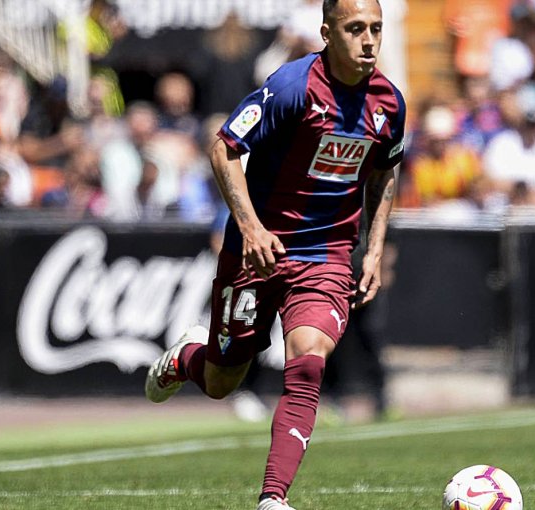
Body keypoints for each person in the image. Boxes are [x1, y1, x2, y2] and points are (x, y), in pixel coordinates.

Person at [144, 2, 405, 509]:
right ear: (327, 33)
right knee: (223, 380)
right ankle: (187, 359)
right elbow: (224, 148)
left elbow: (384, 170)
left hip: (327, 255)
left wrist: (373, 249)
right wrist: (250, 228)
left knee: (307, 363)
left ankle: (272, 499)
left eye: (375, 28)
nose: (369, 40)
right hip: (257, 252)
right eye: (355, 29)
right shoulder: (292, 86)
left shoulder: (388, 102)